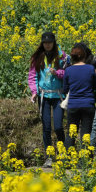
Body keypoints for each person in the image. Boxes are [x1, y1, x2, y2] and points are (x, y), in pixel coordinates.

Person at [28, 31, 69, 167]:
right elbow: (32, 76)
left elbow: (66, 74)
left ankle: (62, 154)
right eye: (45, 43)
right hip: (44, 96)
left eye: (50, 43)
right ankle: (49, 157)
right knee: (46, 127)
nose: (47, 45)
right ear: (42, 43)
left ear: (54, 42)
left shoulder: (62, 56)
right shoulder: (37, 57)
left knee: (58, 126)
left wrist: (57, 73)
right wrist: (34, 92)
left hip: (58, 96)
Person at [63, 43, 96, 148]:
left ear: (72, 57)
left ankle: (67, 161)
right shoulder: (90, 68)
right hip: (88, 104)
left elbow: (65, 89)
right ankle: (85, 161)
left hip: (73, 105)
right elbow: (94, 85)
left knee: (71, 134)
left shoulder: (68, 70)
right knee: (86, 134)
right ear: (84, 55)